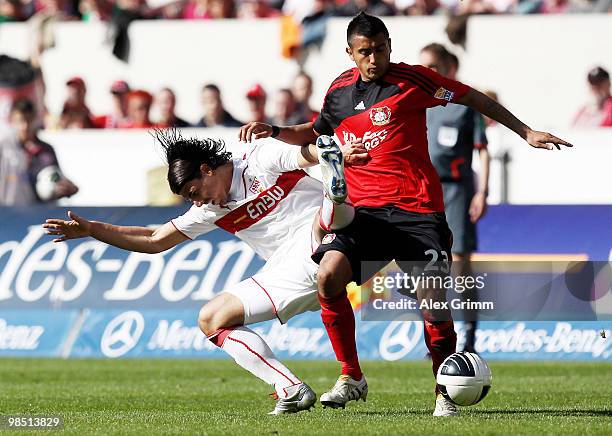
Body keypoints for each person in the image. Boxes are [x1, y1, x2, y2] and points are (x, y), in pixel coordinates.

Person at [238, 12, 572, 416]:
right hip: (364, 215)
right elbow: (317, 130)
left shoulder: (413, 81)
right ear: (350, 53)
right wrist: (274, 131)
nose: (374, 58)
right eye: (365, 52)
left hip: (418, 213)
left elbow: (472, 97)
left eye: (380, 49)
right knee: (328, 275)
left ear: (390, 46)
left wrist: (526, 131)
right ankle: (351, 377)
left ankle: (443, 392)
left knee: (433, 302)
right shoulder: (339, 91)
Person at [42, 129, 354, 415]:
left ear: (207, 169)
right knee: (211, 318)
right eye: (190, 198)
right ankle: (290, 388)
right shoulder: (210, 210)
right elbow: (153, 240)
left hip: (331, 246)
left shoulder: (258, 158)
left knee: (323, 222)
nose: (197, 201)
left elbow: (306, 153)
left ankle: (333, 197)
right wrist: (93, 229)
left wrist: (329, 153)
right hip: (290, 270)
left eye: (195, 191)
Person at [420, 43, 489, 353]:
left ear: (449, 66)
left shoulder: (464, 102)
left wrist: (482, 191)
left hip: (457, 190)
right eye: (424, 65)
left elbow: (482, 150)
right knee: (428, 265)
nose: (429, 71)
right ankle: (437, 335)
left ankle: (470, 332)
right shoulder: (420, 102)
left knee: (460, 262)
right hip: (424, 189)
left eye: (434, 65)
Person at [9, 98, 78, 202]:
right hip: (7, 214)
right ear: (12, 121)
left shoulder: (47, 150)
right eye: (21, 121)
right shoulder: (4, 148)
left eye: (29, 120)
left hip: (40, 213)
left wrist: (67, 188)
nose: (25, 126)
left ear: (35, 119)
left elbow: (55, 177)